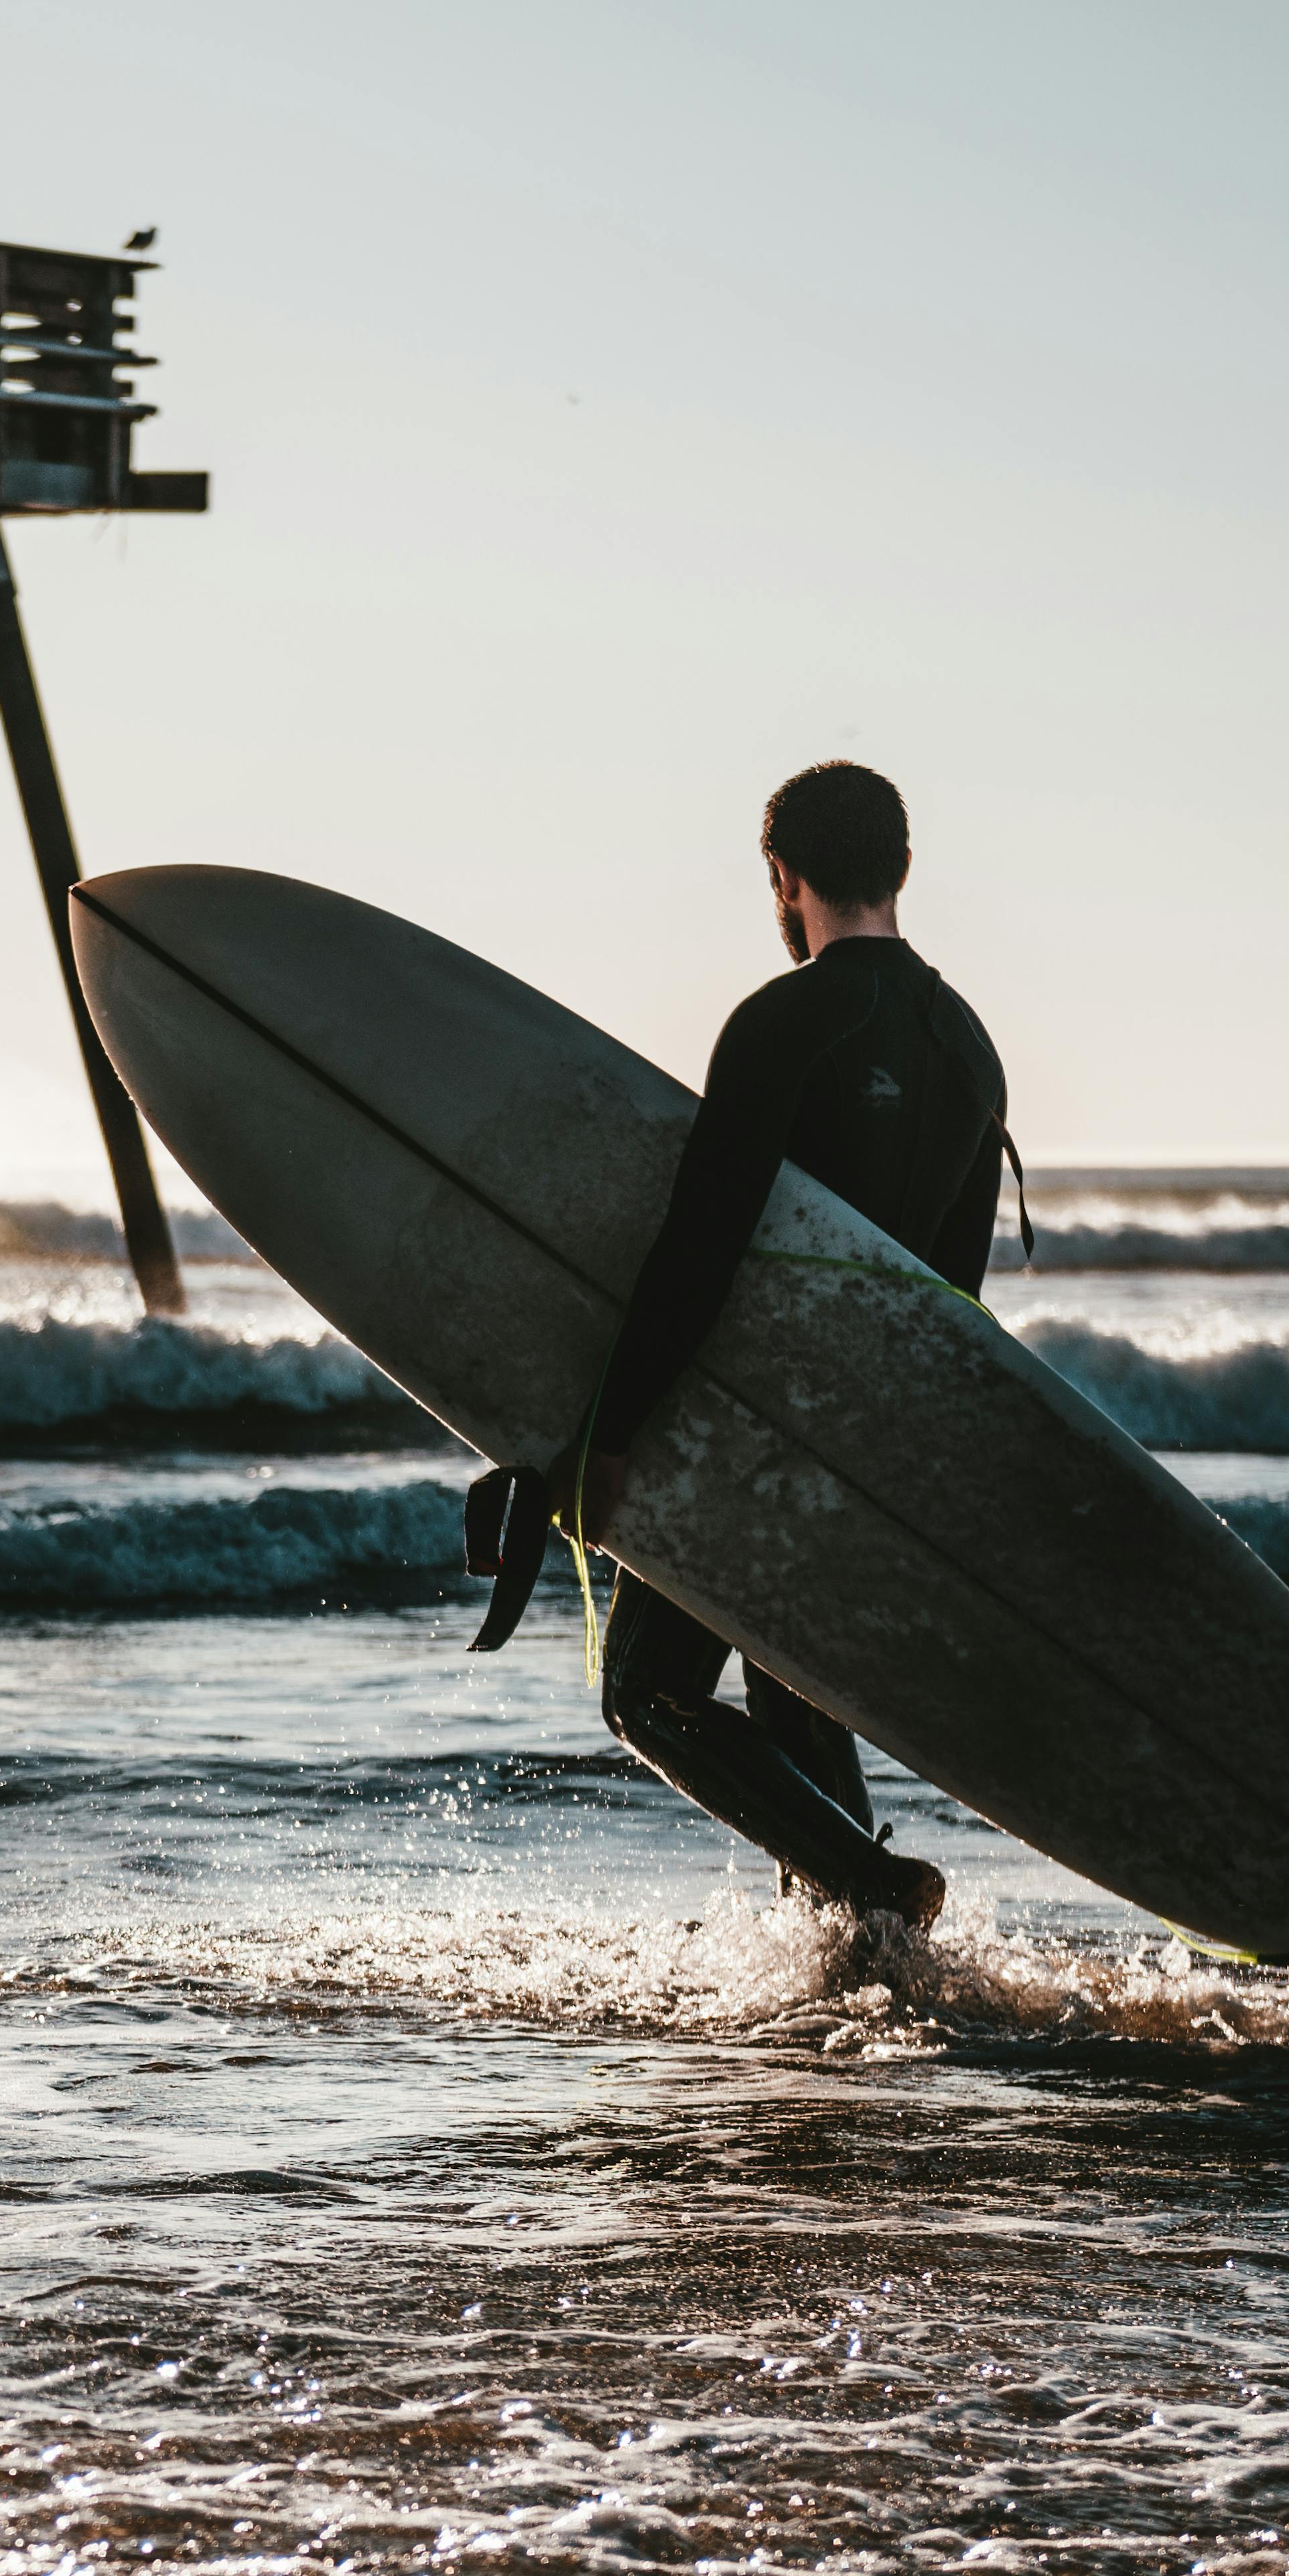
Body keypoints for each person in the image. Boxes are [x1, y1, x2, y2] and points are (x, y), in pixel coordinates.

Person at [505, 761, 1012, 1925]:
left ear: (783, 879)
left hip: (750, 1425)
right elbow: (959, 1304)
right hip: (871, 1441)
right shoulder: (970, 1046)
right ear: (904, 867)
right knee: (795, 1694)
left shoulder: (786, 1023)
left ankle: (880, 1891)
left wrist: (613, 1432)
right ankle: (864, 1953)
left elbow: (703, 1245)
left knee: (647, 1695)